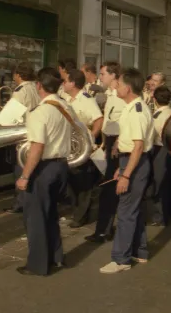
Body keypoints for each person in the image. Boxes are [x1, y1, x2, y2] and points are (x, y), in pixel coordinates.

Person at [15, 67, 73, 276]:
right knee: (51, 215)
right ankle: (56, 258)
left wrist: (24, 176)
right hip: (61, 166)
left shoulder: (39, 112)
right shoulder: (64, 106)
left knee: (36, 218)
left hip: (44, 168)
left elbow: (37, 147)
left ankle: (38, 265)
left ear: (39, 86)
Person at [100, 68, 154, 274]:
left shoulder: (137, 111)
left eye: (120, 84)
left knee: (125, 212)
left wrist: (126, 174)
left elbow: (138, 146)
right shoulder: (133, 107)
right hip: (130, 161)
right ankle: (139, 251)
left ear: (128, 88)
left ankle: (121, 259)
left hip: (135, 162)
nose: (116, 87)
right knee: (134, 210)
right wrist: (122, 169)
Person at [85, 61, 125, 243]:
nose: (100, 77)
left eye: (103, 74)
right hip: (108, 142)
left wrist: (116, 142)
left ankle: (104, 230)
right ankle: (105, 228)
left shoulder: (121, 96)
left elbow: (124, 123)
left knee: (109, 188)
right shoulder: (108, 94)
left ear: (113, 75)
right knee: (107, 187)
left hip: (118, 143)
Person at [63, 69, 103, 228]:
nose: (63, 84)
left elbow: (99, 119)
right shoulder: (68, 99)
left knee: (83, 182)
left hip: (82, 146)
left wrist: (90, 138)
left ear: (72, 83)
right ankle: (77, 212)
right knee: (72, 181)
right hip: (71, 146)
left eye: (65, 81)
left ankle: (81, 216)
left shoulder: (86, 99)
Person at [4, 62, 41, 214]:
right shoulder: (36, 87)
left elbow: (9, 117)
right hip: (35, 133)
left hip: (22, 134)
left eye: (14, 75)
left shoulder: (20, 91)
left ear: (18, 75)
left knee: (20, 169)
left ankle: (20, 202)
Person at [149, 86, 171, 226]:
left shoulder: (156, 116)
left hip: (160, 149)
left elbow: (152, 136)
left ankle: (160, 216)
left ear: (154, 99)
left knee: (160, 183)